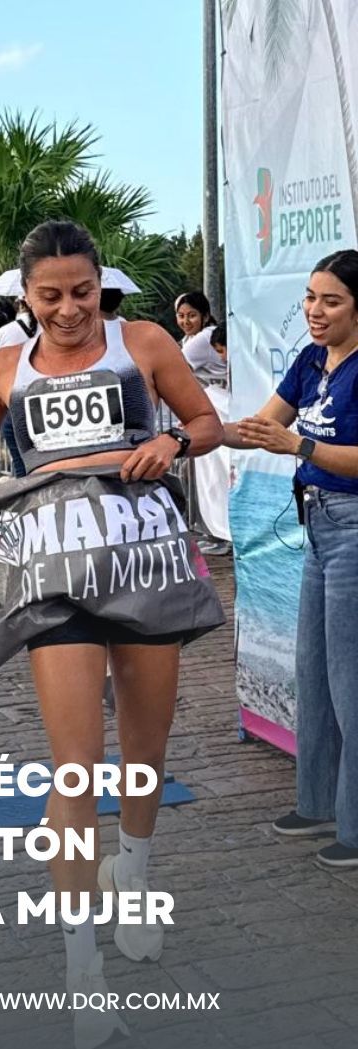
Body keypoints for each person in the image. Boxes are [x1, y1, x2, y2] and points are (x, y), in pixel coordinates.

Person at [0, 220, 223, 1049]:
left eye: (82, 293)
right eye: (49, 296)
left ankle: (133, 871)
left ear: (104, 284)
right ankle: (81, 971)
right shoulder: (2, 365)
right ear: (25, 297)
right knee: (75, 767)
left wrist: (170, 439)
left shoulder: (146, 341)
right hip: (53, 578)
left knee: (147, 752)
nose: (68, 311)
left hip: (146, 565)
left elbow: (208, 426)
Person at [224, 249, 358, 870]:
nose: (314, 311)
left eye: (330, 301)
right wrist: (183, 431)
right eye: (309, 297)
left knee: (350, 683)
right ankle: (317, 802)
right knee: (313, 672)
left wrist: (300, 443)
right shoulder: (309, 360)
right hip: (319, 527)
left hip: (355, 529)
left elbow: (312, 444)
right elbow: (260, 426)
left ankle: (355, 829)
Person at [175, 290, 225, 384]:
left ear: (205, 317)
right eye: (181, 316)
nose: (185, 321)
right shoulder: (191, 337)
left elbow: (172, 369)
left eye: (192, 316)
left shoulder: (207, 336)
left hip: (220, 397)